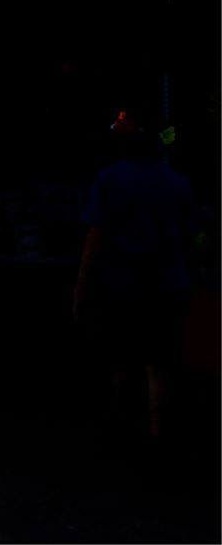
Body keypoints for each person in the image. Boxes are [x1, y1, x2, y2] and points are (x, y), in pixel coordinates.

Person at [74, 115, 196, 441]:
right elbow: (190, 237)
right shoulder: (179, 184)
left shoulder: (110, 178)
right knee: (160, 367)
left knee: (121, 363)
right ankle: (159, 439)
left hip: (123, 285)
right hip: (169, 286)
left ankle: (124, 434)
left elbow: (95, 237)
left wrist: (81, 291)